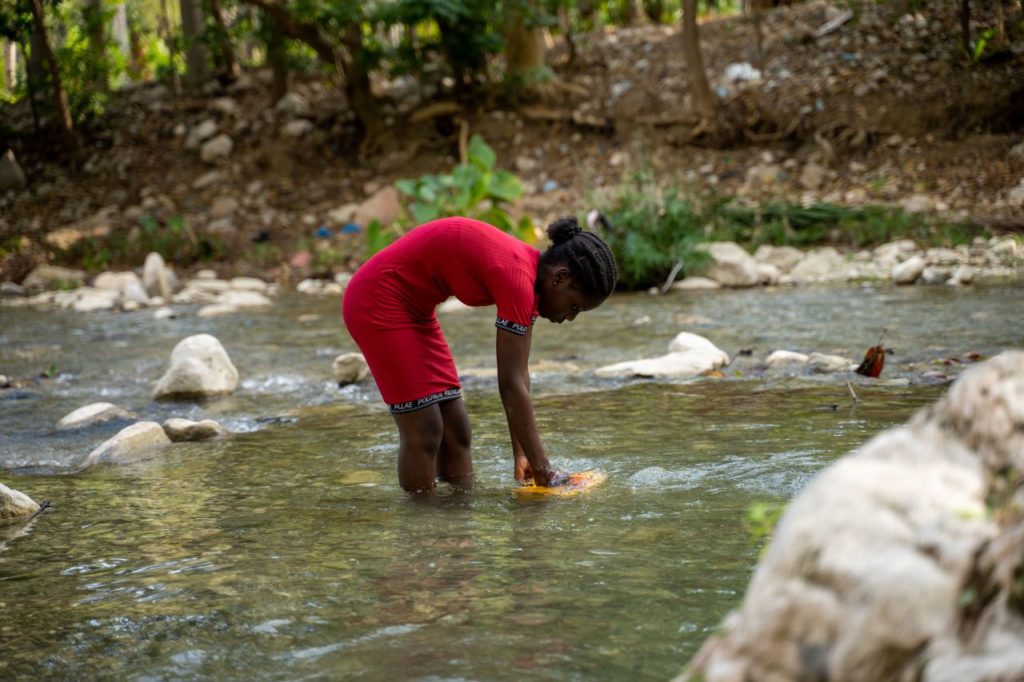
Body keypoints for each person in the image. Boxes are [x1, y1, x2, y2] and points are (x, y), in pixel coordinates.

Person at [342, 215, 617, 493]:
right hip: (377, 300)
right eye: (574, 307)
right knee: (425, 429)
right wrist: (546, 471)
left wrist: (521, 453)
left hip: (416, 312)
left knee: (456, 431)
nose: (570, 318)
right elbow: (509, 385)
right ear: (560, 277)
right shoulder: (518, 279)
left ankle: (459, 525)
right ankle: (422, 528)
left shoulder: (531, 284)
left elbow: (520, 375)